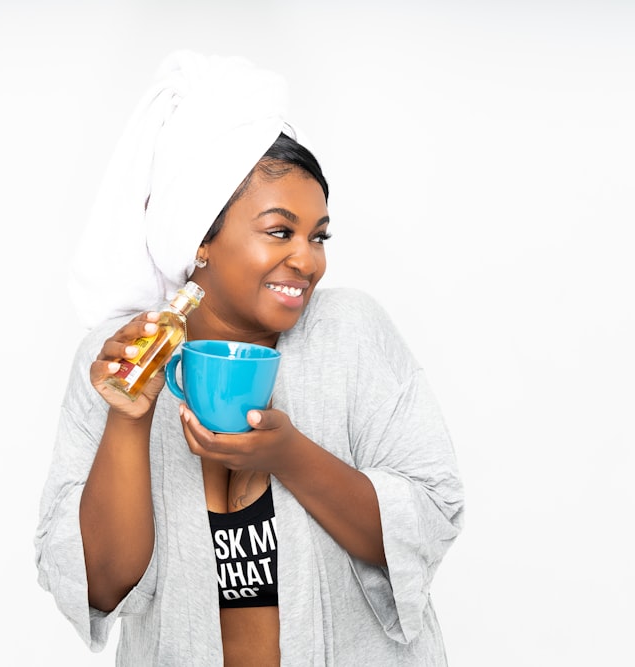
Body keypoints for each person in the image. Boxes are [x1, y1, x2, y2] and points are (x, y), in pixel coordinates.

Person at [35, 51, 464, 666]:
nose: (308, 260)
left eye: (318, 235)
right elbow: (100, 585)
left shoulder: (351, 333)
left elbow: (427, 518)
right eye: (279, 231)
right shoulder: (119, 360)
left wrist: (288, 455)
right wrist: (127, 421)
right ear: (201, 237)